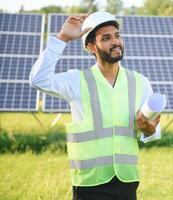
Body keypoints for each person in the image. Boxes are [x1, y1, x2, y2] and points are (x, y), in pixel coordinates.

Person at [29, 11, 161, 200]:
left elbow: (154, 131)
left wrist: (149, 130)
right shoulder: (77, 81)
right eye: (106, 38)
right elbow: (38, 80)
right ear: (91, 46)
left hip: (127, 182)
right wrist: (62, 38)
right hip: (89, 185)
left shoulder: (141, 82)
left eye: (117, 36)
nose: (115, 42)